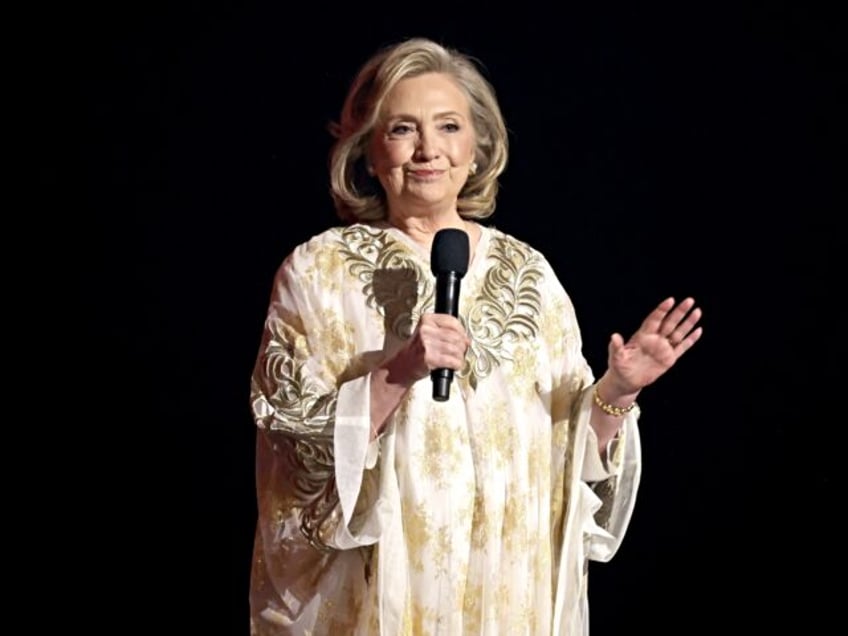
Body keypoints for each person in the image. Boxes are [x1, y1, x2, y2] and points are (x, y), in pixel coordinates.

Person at [248, 36, 703, 635]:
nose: (429, 149)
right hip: (384, 589)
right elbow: (291, 438)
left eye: (449, 127)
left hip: (507, 587)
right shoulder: (318, 272)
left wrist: (618, 391)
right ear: (368, 150)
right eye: (403, 129)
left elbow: (566, 461)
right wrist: (398, 370)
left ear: (478, 146)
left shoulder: (529, 274)